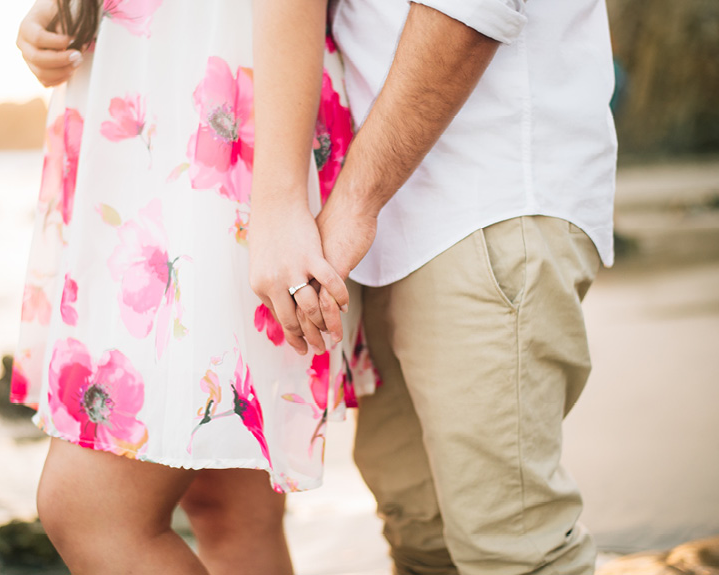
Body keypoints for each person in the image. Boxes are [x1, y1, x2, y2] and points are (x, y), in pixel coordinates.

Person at [250, 1, 618, 574]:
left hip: (483, 193)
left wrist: (353, 203)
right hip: (384, 220)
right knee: (422, 530)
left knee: (512, 547)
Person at [12, 1, 376, 573]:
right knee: (226, 506)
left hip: (224, 122)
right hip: (157, 119)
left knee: (86, 511)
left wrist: (278, 200)